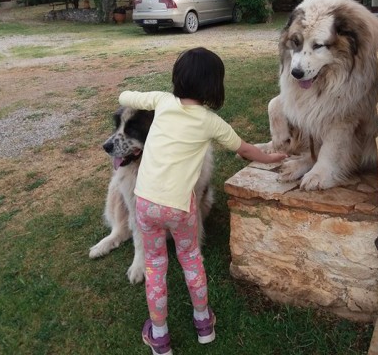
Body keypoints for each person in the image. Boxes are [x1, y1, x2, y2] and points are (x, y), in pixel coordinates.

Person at [118, 47, 287, 355]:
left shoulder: (161, 101)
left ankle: (159, 337)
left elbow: (126, 96)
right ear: (214, 87)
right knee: (191, 259)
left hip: (145, 204)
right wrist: (271, 157)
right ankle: (204, 324)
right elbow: (245, 150)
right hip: (180, 208)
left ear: (176, 78)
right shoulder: (211, 122)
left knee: (155, 266)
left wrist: (126, 94)